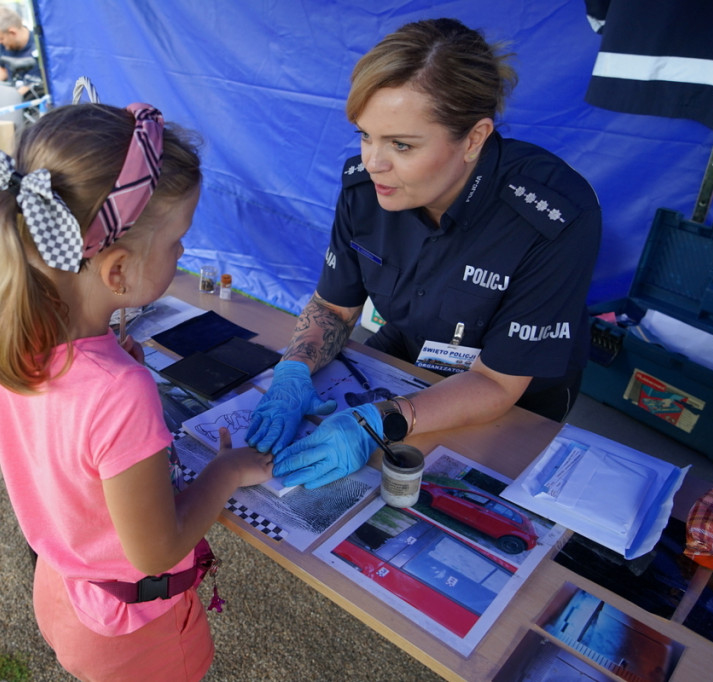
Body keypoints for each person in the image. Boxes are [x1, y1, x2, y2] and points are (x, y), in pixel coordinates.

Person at [0, 102, 273, 681]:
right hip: (136, 631)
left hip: (61, 591)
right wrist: (224, 472)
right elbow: (155, 550)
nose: (181, 255)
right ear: (118, 270)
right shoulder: (118, 390)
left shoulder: (0, 330)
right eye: (177, 242)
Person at [246, 18, 602, 488]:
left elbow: (496, 384)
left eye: (401, 144)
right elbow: (334, 306)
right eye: (365, 135)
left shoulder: (556, 215)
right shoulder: (365, 185)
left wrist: (381, 423)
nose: (374, 162)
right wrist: (293, 370)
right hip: (410, 348)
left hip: (512, 390)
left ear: (474, 138)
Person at [0, 5, 39, 87]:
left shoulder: (38, 50)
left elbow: (29, 87)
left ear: (12, 32)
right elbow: (2, 69)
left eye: (1, 39)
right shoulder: (5, 44)